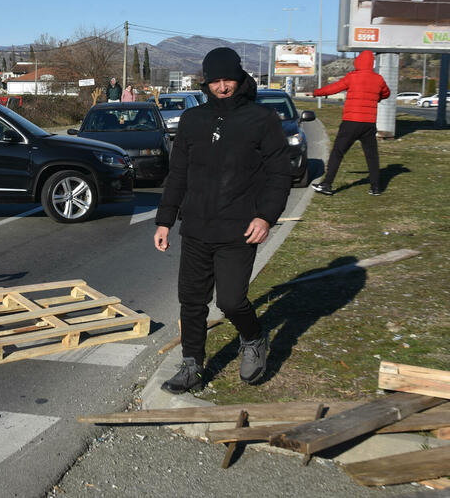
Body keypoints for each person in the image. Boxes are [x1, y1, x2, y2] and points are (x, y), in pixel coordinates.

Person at [153, 47, 292, 394]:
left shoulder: (262, 120)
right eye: (215, 80)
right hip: (198, 227)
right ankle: (191, 366)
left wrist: (265, 217)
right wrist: (164, 220)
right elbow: (178, 174)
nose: (223, 86)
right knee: (192, 300)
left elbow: (279, 173)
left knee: (230, 301)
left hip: (239, 228)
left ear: (240, 78)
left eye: (228, 79)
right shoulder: (192, 120)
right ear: (206, 82)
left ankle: (253, 337)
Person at [310, 50, 390, 196]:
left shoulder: (352, 77)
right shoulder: (378, 79)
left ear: (358, 62)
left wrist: (317, 92)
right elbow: (386, 93)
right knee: (371, 156)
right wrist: (376, 97)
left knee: (338, 152)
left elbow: (334, 88)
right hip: (369, 124)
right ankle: (376, 187)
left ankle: (327, 184)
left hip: (351, 122)